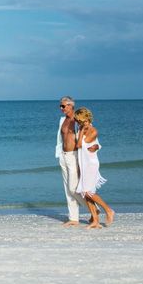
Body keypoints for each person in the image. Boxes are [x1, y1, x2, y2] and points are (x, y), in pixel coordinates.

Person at [74, 107, 115, 229]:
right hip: (83, 163)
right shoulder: (80, 127)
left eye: (78, 120)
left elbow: (80, 144)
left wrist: (81, 131)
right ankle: (95, 221)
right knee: (84, 193)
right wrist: (81, 129)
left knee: (89, 192)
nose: (77, 122)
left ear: (84, 119)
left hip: (91, 164)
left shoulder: (93, 131)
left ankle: (108, 210)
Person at [55, 95, 82, 226]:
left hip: (74, 156)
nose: (61, 108)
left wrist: (95, 147)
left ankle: (94, 209)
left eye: (63, 106)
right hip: (63, 155)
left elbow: (89, 134)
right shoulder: (62, 120)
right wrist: (60, 154)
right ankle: (74, 218)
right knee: (67, 189)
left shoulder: (78, 120)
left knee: (73, 188)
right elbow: (61, 139)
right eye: (60, 106)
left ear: (71, 106)